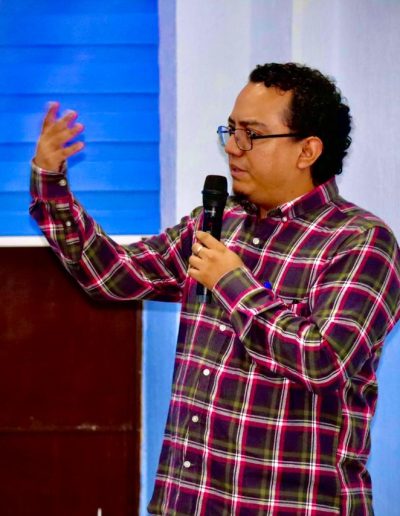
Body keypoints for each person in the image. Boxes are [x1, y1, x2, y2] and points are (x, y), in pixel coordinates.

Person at [30, 62, 400, 515]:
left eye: (251, 134)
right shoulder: (218, 223)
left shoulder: (360, 242)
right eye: (231, 130)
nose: (232, 148)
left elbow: (325, 362)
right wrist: (50, 181)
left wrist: (232, 283)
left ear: (307, 150)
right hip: (190, 501)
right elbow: (112, 274)